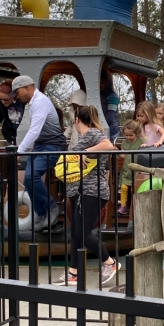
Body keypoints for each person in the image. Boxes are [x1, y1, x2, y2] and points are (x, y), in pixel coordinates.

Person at [54, 105, 119, 286]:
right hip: (79, 191)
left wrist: (85, 152)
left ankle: (110, 263)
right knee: (76, 232)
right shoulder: (88, 136)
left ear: (76, 120)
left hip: (90, 190)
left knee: (82, 232)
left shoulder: (92, 134)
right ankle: (74, 273)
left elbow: (108, 145)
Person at [13, 75, 67, 229]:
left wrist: (19, 151)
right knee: (27, 180)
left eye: (17, 93)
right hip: (41, 146)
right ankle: (42, 213)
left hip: (53, 146)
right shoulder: (34, 103)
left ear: (27, 88)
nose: (17, 97)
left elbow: (35, 130)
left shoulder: (40, 102)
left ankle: (50, 208)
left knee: (31, 176)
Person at [117, 119, 144, 217]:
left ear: (137, 133)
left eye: (130, 135)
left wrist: (144, 146)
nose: (128, 137)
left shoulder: (141, 141)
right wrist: (118, 152)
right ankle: (123, 205)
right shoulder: (124, 143)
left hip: (137, 169)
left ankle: (133, 206)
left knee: (134, 188)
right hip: (126, 170)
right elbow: (124, 156)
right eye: (126, 135)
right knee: (124, 187)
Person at [100, 70, 119, 142]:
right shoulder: (100, 96)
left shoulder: (113, 97)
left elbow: (111, 115)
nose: (100, 85)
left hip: (111, 130)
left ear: (107, 83)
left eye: (102, 82)